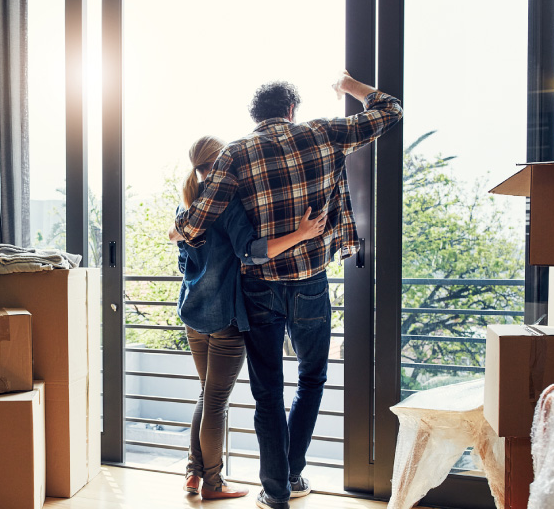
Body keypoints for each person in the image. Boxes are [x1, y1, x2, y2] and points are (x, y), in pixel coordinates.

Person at [172, 72, 402, 509]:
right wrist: (351, 86)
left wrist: (177, 228)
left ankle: (276, 492)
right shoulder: (323, 133)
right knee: (312, 377)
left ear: (254, 116)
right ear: (291, 110)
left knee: (266, 393)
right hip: (311, 282)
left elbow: (194, 224)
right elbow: (390, 109)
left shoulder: (236, 154)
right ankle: (292, 472)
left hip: (259, 289)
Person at [174, 135, 326, 501]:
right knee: (216, 401)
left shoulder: (188, 208)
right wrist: (301, 233)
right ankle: (212, 483)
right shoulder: (228, 205)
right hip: (225, 319)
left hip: (193, 315)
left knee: (207, 395)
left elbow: (184, 263)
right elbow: (251, 252)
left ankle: (194, 474)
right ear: (224, 162)